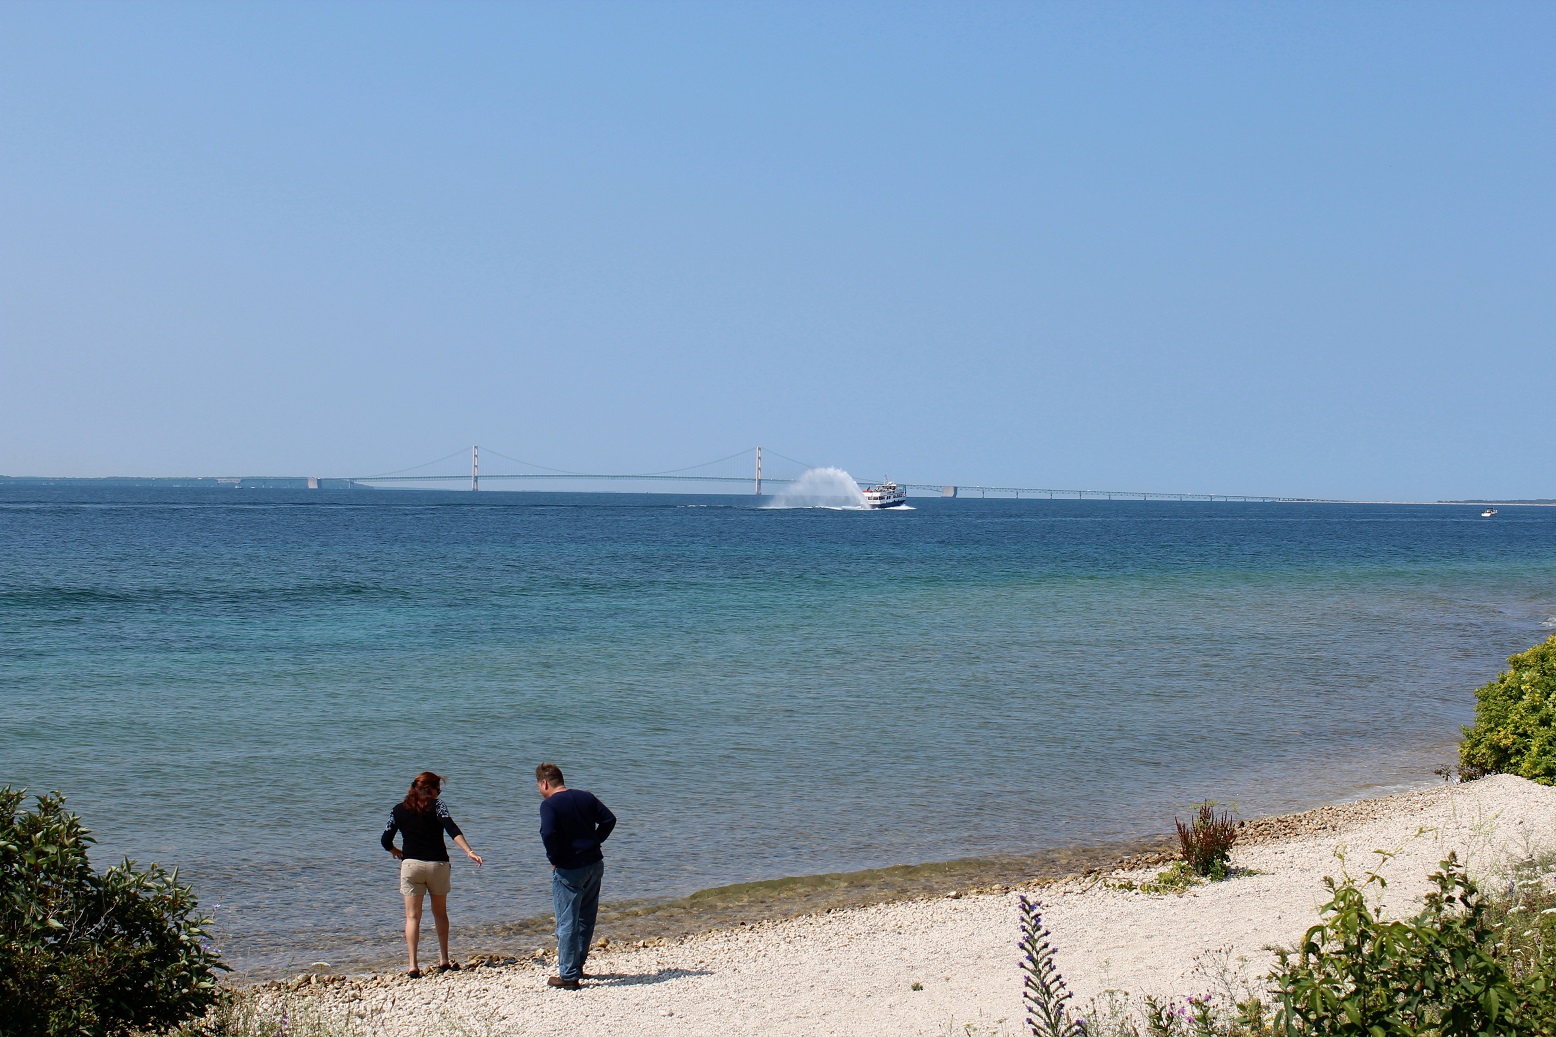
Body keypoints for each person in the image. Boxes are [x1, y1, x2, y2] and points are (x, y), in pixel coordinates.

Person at [381, 771, 483, 977]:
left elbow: (385, 839)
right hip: (438, 865)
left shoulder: (398, 809)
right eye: (438, 789)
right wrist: (469, 851)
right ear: (431, 789)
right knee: (440, 914)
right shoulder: (438, 806)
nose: (439, 793)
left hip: (411, 865)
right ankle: (444, 959)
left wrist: (395, 851)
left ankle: (413, 965)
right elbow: (452, 829)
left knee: (412, 917)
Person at [535, 762, 616, 990]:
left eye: (538, 786)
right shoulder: (585, 797)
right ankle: (577, 965)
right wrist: (594, 841)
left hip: (569, 868)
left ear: (545, 783)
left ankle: (569, 975)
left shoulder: (549, 805)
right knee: (585, 917)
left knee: (567, 921)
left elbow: (548, 833)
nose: (539, 791)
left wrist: (555, 858)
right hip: (594, 863)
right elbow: (609, 820)